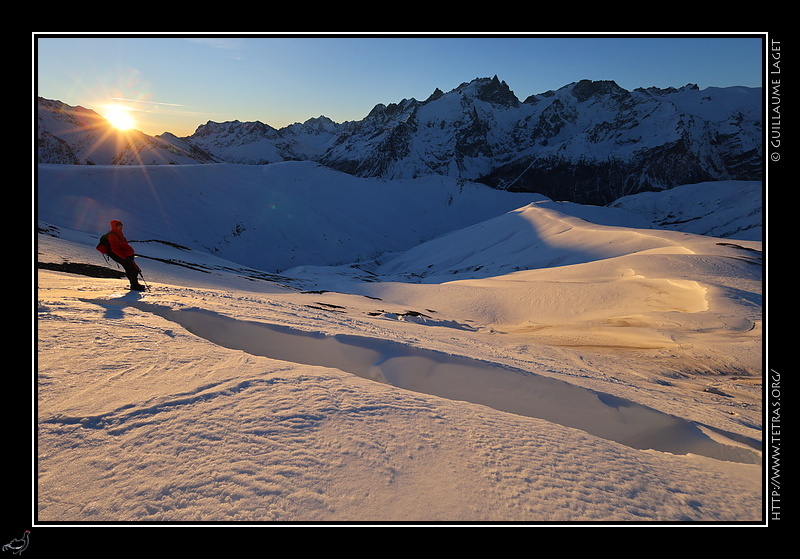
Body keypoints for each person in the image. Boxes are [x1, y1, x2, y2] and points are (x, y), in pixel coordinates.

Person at [105, 220, 146, 291]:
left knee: (131, 269)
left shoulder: (118, 234)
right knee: (133, 269)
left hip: (125, 256)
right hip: (122, 256)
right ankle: (134, 285)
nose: (121, 227)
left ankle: (134, 285)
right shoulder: (113, 235)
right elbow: (115, 249)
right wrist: (125, 257)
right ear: (115, 226)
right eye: (119, 225)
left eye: (121, 225)